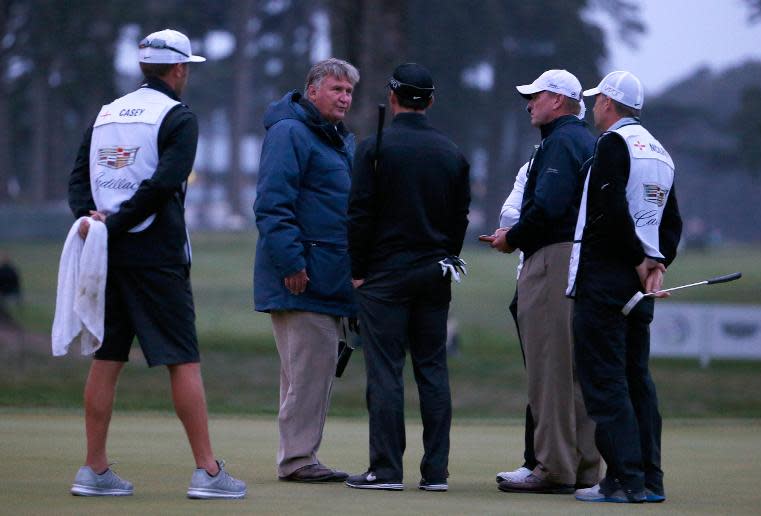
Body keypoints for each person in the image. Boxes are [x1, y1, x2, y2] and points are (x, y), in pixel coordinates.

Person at [67, 29, 246, 499]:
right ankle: (208, 472)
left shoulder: (105, 115)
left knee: (105, 359)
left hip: (105, 252)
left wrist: (92, 220)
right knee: (182, 359)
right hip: (155, 256)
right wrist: (120, 221)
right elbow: (164, 184)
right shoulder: (178, 117)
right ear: (180, 69)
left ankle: (94, 468)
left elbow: (78, 180)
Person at [345, 63, 471, 492]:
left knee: (385, 371)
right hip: (434, 273)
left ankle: (385, 470)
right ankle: (435, 473)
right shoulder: (452, 152)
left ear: (393, 97)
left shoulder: (374, 148)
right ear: (430, 101)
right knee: (433, 370)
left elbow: (359, 215)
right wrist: (446, 256)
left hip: (384, 275)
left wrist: (358, 272)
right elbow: (460, 218)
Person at [569, 71, 682, 503]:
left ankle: (625, 479)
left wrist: (638, 259)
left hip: (608, 277)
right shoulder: (661, 152)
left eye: (598, 100)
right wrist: (657, 263)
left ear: (609, 105)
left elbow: (609, 208)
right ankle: (648, 479)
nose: (595, 107)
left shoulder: (613, 144)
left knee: (604, 380)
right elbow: (672, 222)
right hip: (642, 282)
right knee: (637, 379)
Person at [489, 70, 600, 494]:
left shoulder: (560, 143)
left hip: (554, 257)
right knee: (575, 371)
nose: (529, 103)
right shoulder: (587, 141)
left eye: (535, 96)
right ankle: (585, 466)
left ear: (558, 100)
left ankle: (554, 467)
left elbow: (549, 207)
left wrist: (510, 238)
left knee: (550, 369)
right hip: (582, 257)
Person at [252, 58, 359, 483]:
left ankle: (299, 456)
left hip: (328, 276)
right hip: (303, 277)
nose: (345, 98)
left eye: (349, 91)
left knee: (308, 373)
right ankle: (297, 460)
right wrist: (292, 262)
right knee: (308, 374)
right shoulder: (290, 133)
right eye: (336, 89)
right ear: (312, 90)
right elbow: (272, 205)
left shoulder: (335, 140)